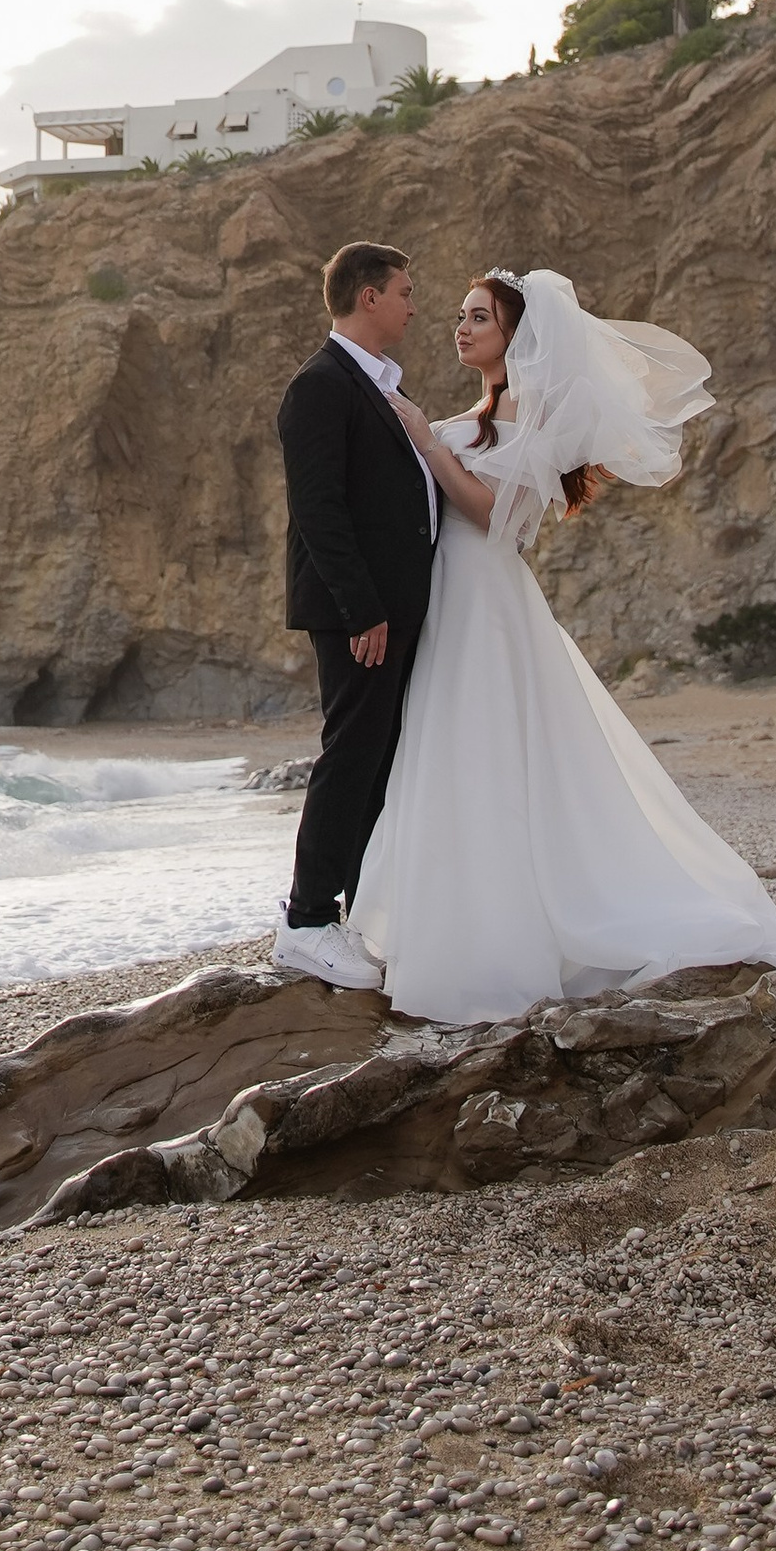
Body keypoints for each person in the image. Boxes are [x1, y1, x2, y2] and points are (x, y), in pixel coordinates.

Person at [345, 266, 776, 1025]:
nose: (461, 328)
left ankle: (507, 936)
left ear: (517, 335)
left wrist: (426, 440)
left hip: (486, 599)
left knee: (488, 753)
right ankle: (448, 921)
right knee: (451, 751)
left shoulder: (534, 415)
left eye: (479, 317)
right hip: (447, 596)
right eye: (459, 315)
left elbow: (495, 515)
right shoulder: (481, 412)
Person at [269, 238, 442, 989]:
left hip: (388, 607)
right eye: (405, 292)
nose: (413, 306)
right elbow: (318, 509)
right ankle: (306, 921)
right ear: (368, 296)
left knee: (376, 755)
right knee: (350, 754)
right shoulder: (320, 384)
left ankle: (358, 910)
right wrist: (362, 608)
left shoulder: (376, 384)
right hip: (357, 612)